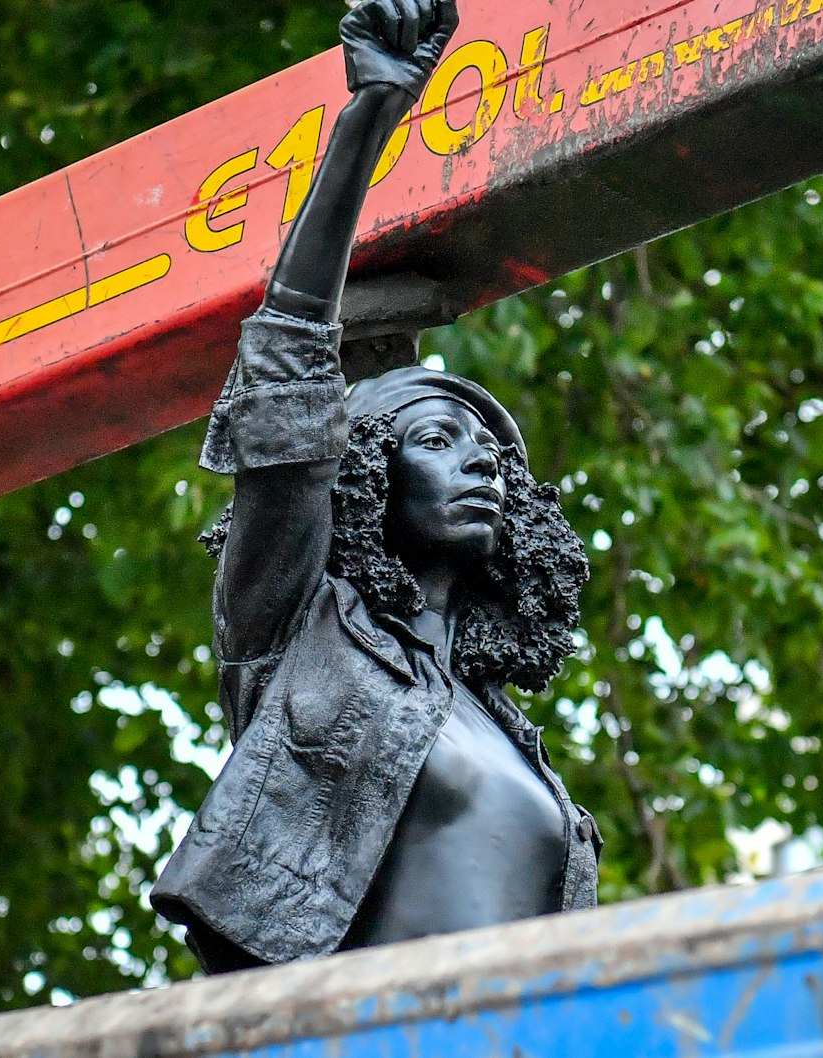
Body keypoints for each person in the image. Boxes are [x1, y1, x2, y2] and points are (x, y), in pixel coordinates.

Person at [150, 0, 600, 973]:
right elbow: (287, 383)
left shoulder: (514, 736)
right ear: (366, 482)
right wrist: (369, 121)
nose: (480, 460)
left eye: (494, 455)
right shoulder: (298, 635)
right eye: (438, 438)